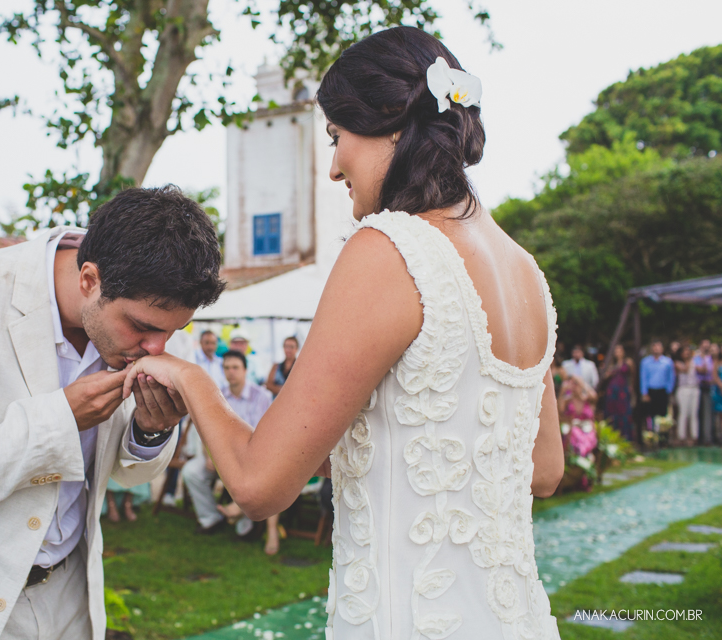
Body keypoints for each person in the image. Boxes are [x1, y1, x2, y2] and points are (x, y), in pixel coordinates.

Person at [124, 27, 564, 639]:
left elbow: (257, 484)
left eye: (337, 137)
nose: (333, 167)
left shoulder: (389, 250)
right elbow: (543, 470)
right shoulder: (525, 271)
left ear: (390, 126)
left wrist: (192, 380)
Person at [0, 186, 225, 640]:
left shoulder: (146, 317)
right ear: (89, 280)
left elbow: (127, 477)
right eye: (144, 328)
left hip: (71, 602)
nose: (159, 348)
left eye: (174, 331)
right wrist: (60, 420)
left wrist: (150, 431)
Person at [181, 351, 275, 544]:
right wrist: (210, 455)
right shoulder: (218, 395)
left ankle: (244, 525)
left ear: (245, 370)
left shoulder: (261, 396)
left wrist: (231, 459)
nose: (230, 372)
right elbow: (207, 430)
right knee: (191, 472)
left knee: (243, 474)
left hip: (249, 457)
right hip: (219, 455)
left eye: (235, 368)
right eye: (226, 368)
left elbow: (264, 436)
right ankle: (211, 519)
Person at [603, 344, 634, 440]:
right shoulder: (610, 364)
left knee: (624, 412)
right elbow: (604, 376)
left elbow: (633, 375)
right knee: (612, 413)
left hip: (623, 390)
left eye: (619, 350)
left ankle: (626, 437)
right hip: (612, 391)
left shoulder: (628, 362)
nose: (617, 352)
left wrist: (631, 386)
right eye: (616, 351)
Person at [640, 341, 676, 422]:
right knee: (650, 414)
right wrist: (644, 392)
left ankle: (663, 433)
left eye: (658, 347)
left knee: (663, 414)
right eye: (654, 347)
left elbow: (671, 377)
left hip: (663, 391)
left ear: (662, 349)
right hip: (650, 391)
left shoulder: (668, 362)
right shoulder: (645, 362)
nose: (656, 349)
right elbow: (643, 378)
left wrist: (669, 390)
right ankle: (651, 433)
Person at [674, 345, 700, 446]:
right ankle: (682, 436)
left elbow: (703, 370)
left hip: (694, 388)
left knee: (693, 414)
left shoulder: (694, 362)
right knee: (683, 413)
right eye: (685, 352)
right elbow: (685, 369)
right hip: (683, 389)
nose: (687, 353)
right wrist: (690, 360)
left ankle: (694, 436)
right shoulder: (678, 363)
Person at [694, 339, 716, 445]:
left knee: (710, 413)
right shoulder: (697, 358)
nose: (706, 348)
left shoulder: (712, 359)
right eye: (704, 346)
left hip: (711, 387)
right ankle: (700, 437)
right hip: (699, 387)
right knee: (698, 414)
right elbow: (701, 370)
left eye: (708, 346)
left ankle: (709, 437)